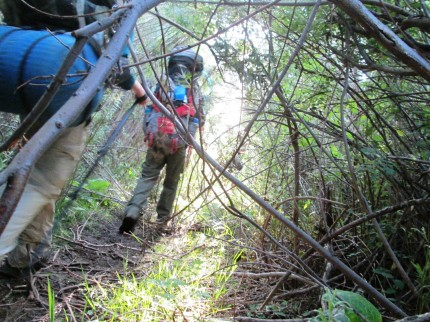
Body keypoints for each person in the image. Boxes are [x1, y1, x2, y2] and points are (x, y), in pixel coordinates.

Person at [0, 0, 148, 277]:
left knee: (34, 165)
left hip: (24, 76)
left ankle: (29, 255)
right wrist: (138, 91)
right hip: (67, 85)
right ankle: (17, 249)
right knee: (42, 181)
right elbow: (117, 59)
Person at [119, 47, 205, 234]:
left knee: (148, 176)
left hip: (157, 137)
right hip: (180, 141)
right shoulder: (195, 92)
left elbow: (148, 107)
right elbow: (201, 119)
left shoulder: (161, 85)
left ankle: (132, 212)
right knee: (171, 182)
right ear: (195, 70)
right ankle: (162, 220)